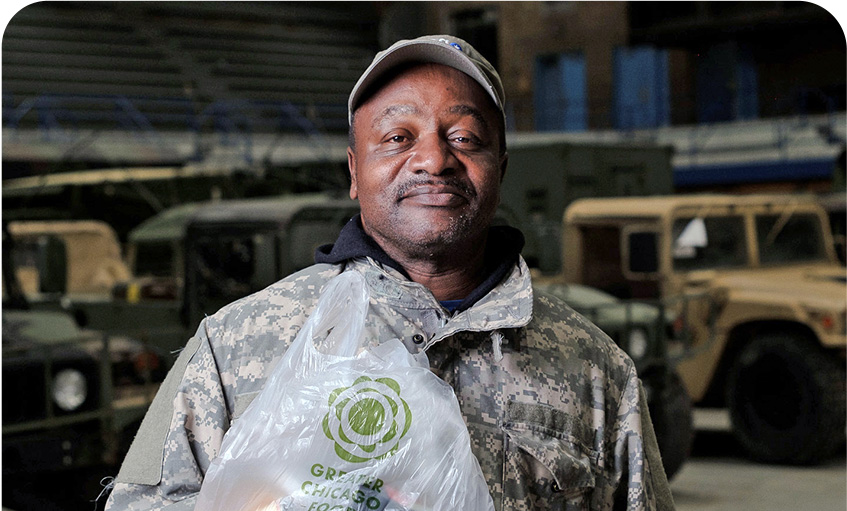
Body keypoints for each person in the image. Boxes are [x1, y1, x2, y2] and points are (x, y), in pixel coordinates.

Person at [105, 35, 675, 511]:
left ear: (499, 169)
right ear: (355, 171)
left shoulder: (598, 373)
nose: (433, 159)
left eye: (464, 138)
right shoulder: (232, 347)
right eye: (398, 138)